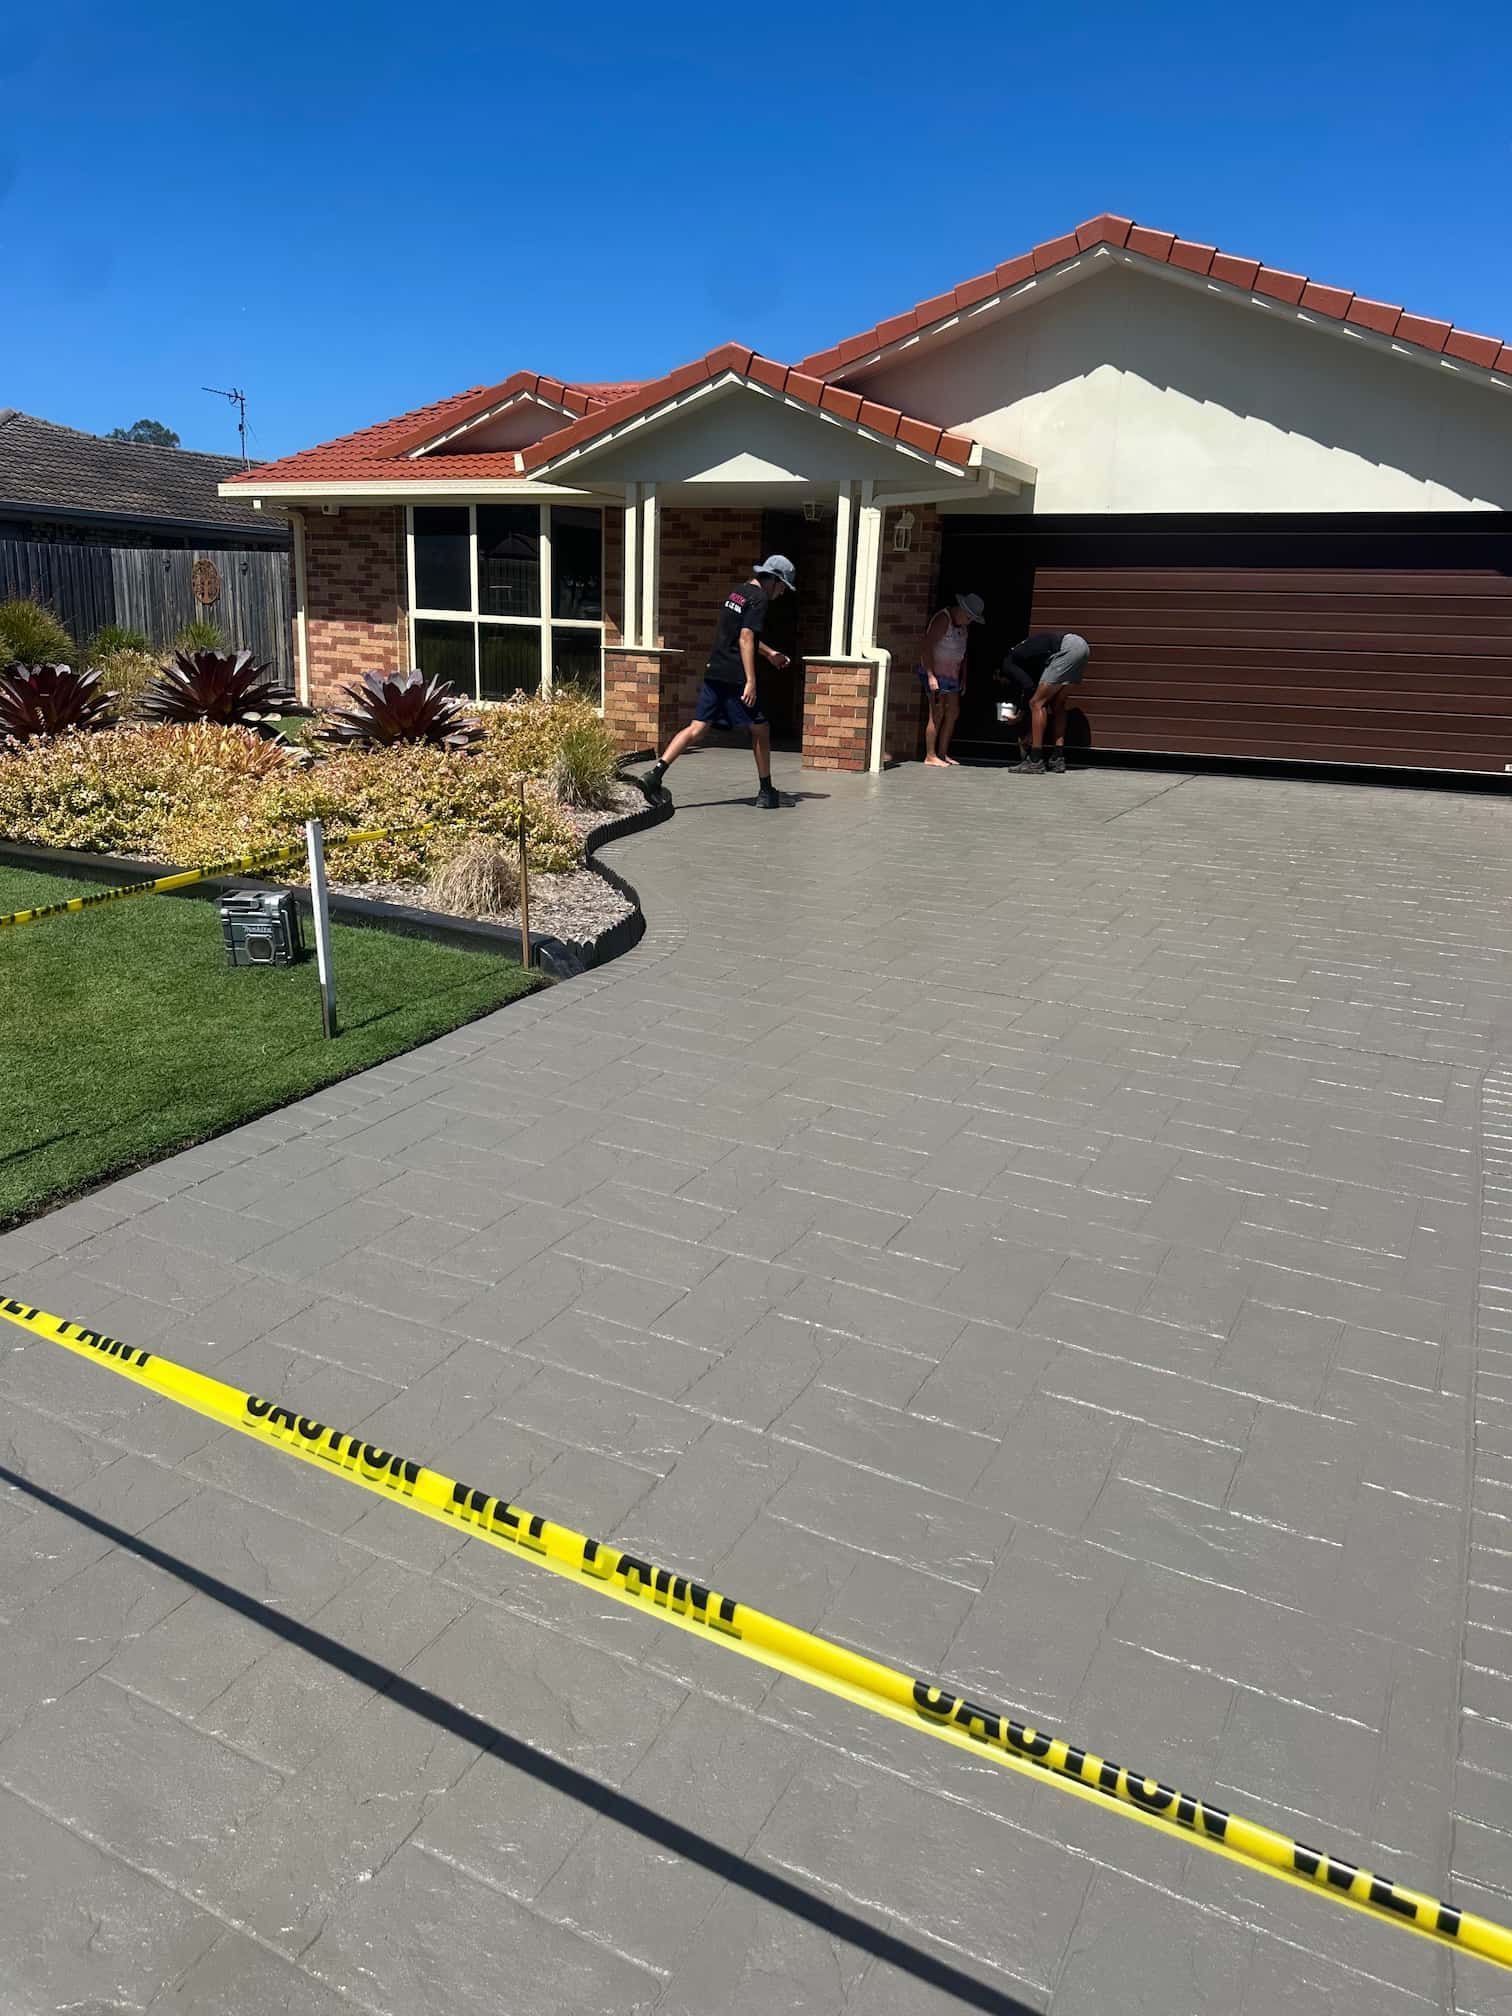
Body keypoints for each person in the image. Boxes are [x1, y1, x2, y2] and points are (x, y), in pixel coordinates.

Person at [642, 556, 795, 809]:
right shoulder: (759, 600)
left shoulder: (737, 593)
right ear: (774, 580)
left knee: (697, 728)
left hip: (715, 669)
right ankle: (766, 791)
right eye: (782, 587)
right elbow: (746, 638)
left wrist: (769, 655)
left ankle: (654, 775)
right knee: (761, 728)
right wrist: (750, 681)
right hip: (735, 676)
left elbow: (740, 636)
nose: (781, 593)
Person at [1003, 631, 1091, 773]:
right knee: (1058, 704)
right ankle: (1057, 758)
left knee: (1036, 703)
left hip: (1067, 649)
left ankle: (1035, 760)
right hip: (1081, 646)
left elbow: (1028, 687)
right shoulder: (1029, 653)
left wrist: (1019, 715)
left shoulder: (1009, 662)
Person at [916, 593, 984, 766]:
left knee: (953, 712)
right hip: (936, 673)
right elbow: (927, 646)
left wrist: (963, 677)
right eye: (968, 617)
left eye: (972, 619)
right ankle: (930, 755)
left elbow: (963, 652)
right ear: (960, 609)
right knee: (937, 713)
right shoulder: (943, 619)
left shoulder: (963, 626)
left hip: (952, 674)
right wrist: (931, 676)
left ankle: (942, 752)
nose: (968, 621)